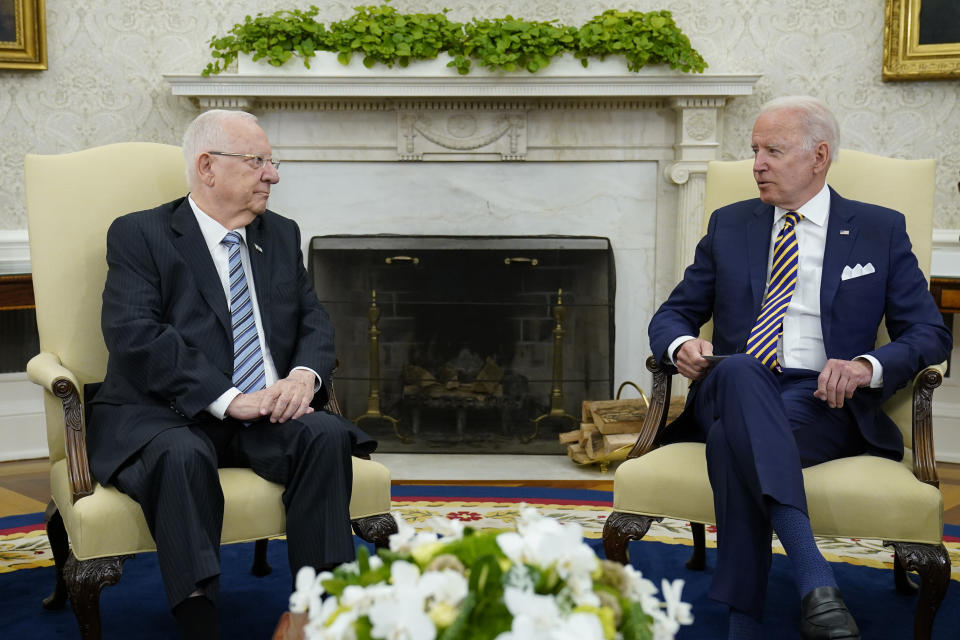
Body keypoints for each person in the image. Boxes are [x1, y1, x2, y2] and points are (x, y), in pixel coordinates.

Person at [648, 96, 952, 640]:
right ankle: (815, 580)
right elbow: (675, 312)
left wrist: (866, 366)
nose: (757, 163)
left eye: (773, 150)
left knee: (728, 442)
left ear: (819, 156)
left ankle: (744, 622)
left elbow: (930, 333)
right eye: (754, 150)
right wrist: (678, 347)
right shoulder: (730, 224)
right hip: (731, 381)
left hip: (824, 402)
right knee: (740, 370)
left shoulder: (878, 230)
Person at [86, 109, 376, 639]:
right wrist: (226, 397)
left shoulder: (281, 235)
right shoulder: (140, 234)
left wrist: (304, 377)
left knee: (326, 432)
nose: (273, 174)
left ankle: (317, 611)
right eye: (257, 161)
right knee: (182, 453)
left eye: (271, 161)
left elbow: (314, 319)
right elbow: (135, 334)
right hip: (165, 413)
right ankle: (199, 620)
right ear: (208, 167)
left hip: (267, 409)